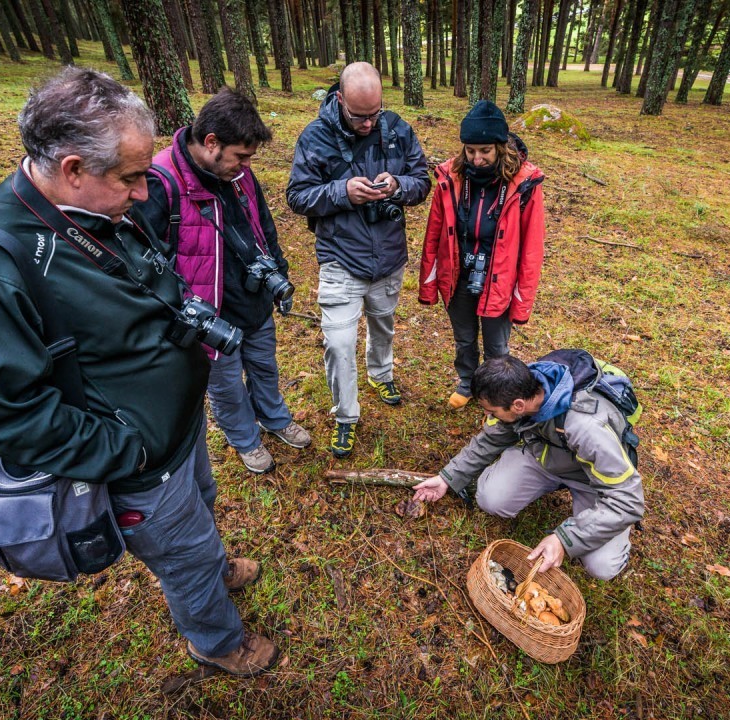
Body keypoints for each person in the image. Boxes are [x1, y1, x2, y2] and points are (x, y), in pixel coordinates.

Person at [0, 68, 278, 677]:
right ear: (71, 168)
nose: (146, 192)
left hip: (178, 426)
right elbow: (6, 414)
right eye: (131, 177)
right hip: (138, 458)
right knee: (182, 549)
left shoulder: (97, 208)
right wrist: (128, 450)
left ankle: (213, 567)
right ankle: (216, 640)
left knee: (202, 508)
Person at [139, 88, 311, 475]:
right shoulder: (161, 181)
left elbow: (263, 225)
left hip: (252, 296)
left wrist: (278, 270)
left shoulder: (239, 174)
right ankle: (244, 439)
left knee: (265, 365)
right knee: (227, 384)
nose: (246, 165)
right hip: (208, 310)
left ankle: (274, 417)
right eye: (241, 156)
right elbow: (146, 262)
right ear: (212, 142)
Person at [286, 61, 430, 459]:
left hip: (388, 256)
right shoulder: (315, 137)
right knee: (340, 342)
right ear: (339, 100)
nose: (368, 124)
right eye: (358, 116)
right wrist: (342, 192)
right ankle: (346, 417)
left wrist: (399, 185)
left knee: (383, 325)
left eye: (374, 114)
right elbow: (297, 197)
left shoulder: (398, 129)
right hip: (340, 258)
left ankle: (380, 374)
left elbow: (422, 181)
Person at [412, 351, 644, 581]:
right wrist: (447, 478)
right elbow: (491, 438)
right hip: (544, 458)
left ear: (518, 405)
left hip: (591, 480)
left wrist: (564, 539)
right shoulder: (519, 389)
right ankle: (550, 483)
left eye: (491, 411)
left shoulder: (587, 428)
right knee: (491, 499)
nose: (486, 415)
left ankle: (612, 538)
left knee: (602, 567)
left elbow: (628, 500)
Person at [418, 100, 545, 410]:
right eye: (471, 151)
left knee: (496, 346)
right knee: (464, 338)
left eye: (485, 150)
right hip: (458, 273)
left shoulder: (524, 185)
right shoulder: (451, 178)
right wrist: (429, 280)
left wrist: (522, 297)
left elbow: (532, 248)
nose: (477, 158)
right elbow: (434, 232)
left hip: (499, 277)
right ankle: (467, 381)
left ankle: (496, 393)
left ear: (500, 147)